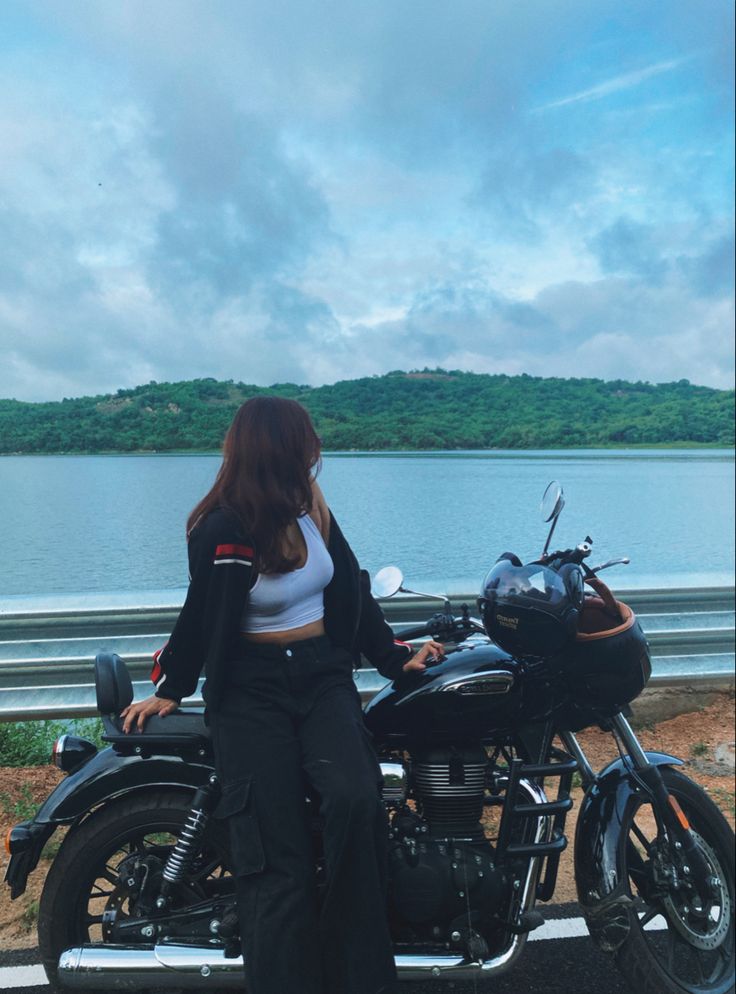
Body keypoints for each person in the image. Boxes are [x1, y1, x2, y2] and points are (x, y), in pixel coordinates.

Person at [120, 396, 443, 994]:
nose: (315, 450)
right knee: (274, 852)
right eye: (305, 441)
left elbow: (352, 588)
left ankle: (357, 974)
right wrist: (171, 687)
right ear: (279, 450)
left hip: (321, 678)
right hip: (250, 690)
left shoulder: (311, 510)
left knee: (355, 801)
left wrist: (397, 658)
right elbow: (202, 611)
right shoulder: (223, 528)